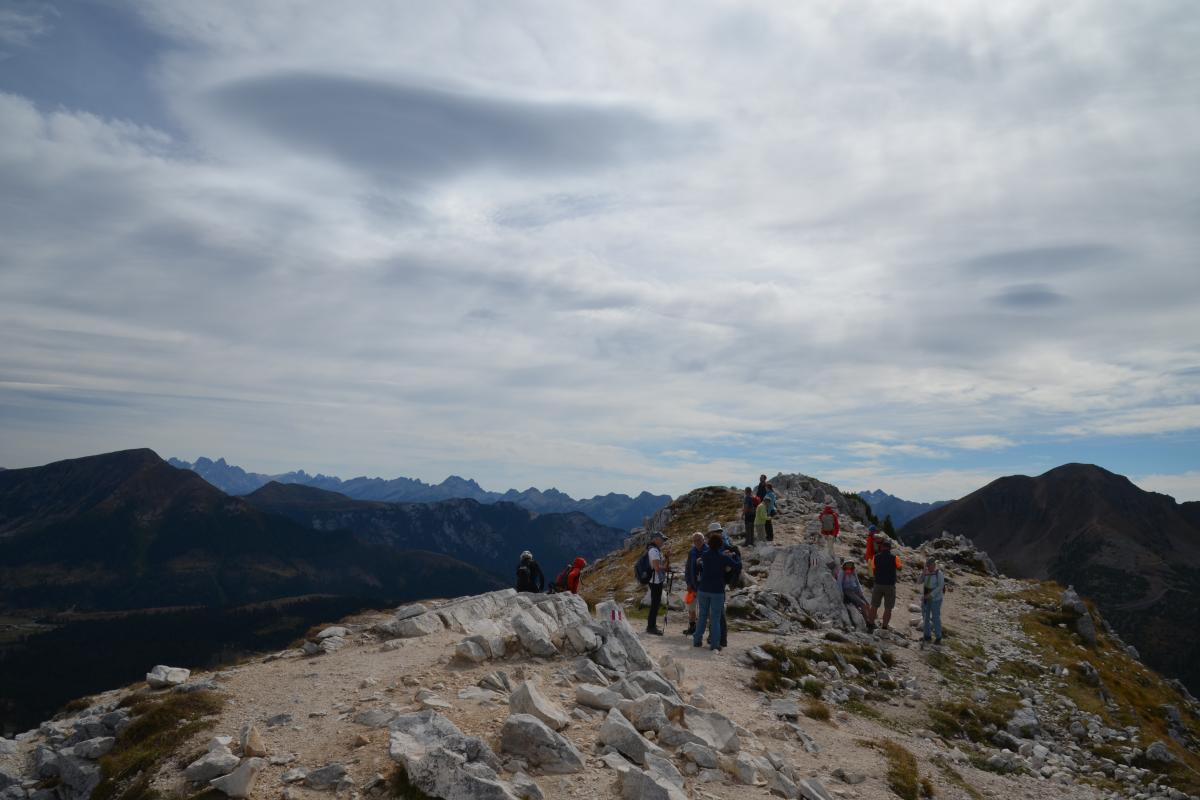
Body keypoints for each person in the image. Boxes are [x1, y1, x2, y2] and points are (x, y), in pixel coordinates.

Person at [693, 528, 741, 652]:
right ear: (720, 544)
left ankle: (697, 640)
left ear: (708, 543)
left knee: (702, 616)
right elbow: (737, 566)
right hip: (717, 591)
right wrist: (735, 555)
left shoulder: (704, 554)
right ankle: (715, 644)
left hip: (703, 589)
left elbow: (701, 564)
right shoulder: (723, 557)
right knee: (715, 618)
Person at [870, 538, 902, 630]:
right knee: (888, 608)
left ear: (882, 547)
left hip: (878, 584)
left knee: (874, 605)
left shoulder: (875, 557)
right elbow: (900, 568)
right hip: (889, 585)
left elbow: (872, 568)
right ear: (890, 548)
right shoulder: (895, 558)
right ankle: (884, 626)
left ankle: (870, 623)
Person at [837, 560, 875, 629]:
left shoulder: (853, 571)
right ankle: (867, 622)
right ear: (845, 565)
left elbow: (857, 582)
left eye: (851, 564)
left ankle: (872, 621)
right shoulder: (842, 572)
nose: (849, 566)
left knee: (867, 604)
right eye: (848, 564)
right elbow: (839, 584)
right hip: (847, 590)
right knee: (862, 604)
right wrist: (841, 594)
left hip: (855, 590)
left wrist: (861, 593)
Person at [645, 533, 668, 636]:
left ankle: (652, 624)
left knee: (656, 603)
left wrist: (667, 558)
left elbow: (659, 566)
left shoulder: (655, 550)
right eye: (662, 539)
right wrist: (666, 568)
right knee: (655, 603)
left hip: (655, 580)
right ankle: (651, 627)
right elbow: (657, 567)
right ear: (656, 539)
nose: (663, 541)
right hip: (655, 581)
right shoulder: (654, 551)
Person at [919, 556, 946, 644]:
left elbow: (940, 586)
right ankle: (927, 635)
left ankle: (938, 637)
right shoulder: (926, 572)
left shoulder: (939, 573)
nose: (928, 567)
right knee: (925, 616)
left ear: (934, 565)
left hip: (936, 599)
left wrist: (931, 595)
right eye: (927, 565)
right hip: (926, 598)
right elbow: (919, 581)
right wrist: (922, 573)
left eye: (930, 565)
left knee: (935, 617)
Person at [683, 531, 704, 635]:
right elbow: (687, 568)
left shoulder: (708, 551)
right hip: (692, 585)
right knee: (691, 607)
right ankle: (692, 627)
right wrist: (688, 583)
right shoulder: (691, 552)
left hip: (704, 586)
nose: (697, 542)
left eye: (699, 540)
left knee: (704, 609)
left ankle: (703, 630)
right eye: (695, 540)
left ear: (703, 540)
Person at [817, 497, 840, 561]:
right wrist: (835, 534)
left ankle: (822, 559)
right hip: (831, 534)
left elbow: (819, 523)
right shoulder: (834, 515)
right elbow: (837, 526)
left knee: (823, 547)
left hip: (823, 533)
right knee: (830, 548)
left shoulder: (821, 515)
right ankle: (831, 560)